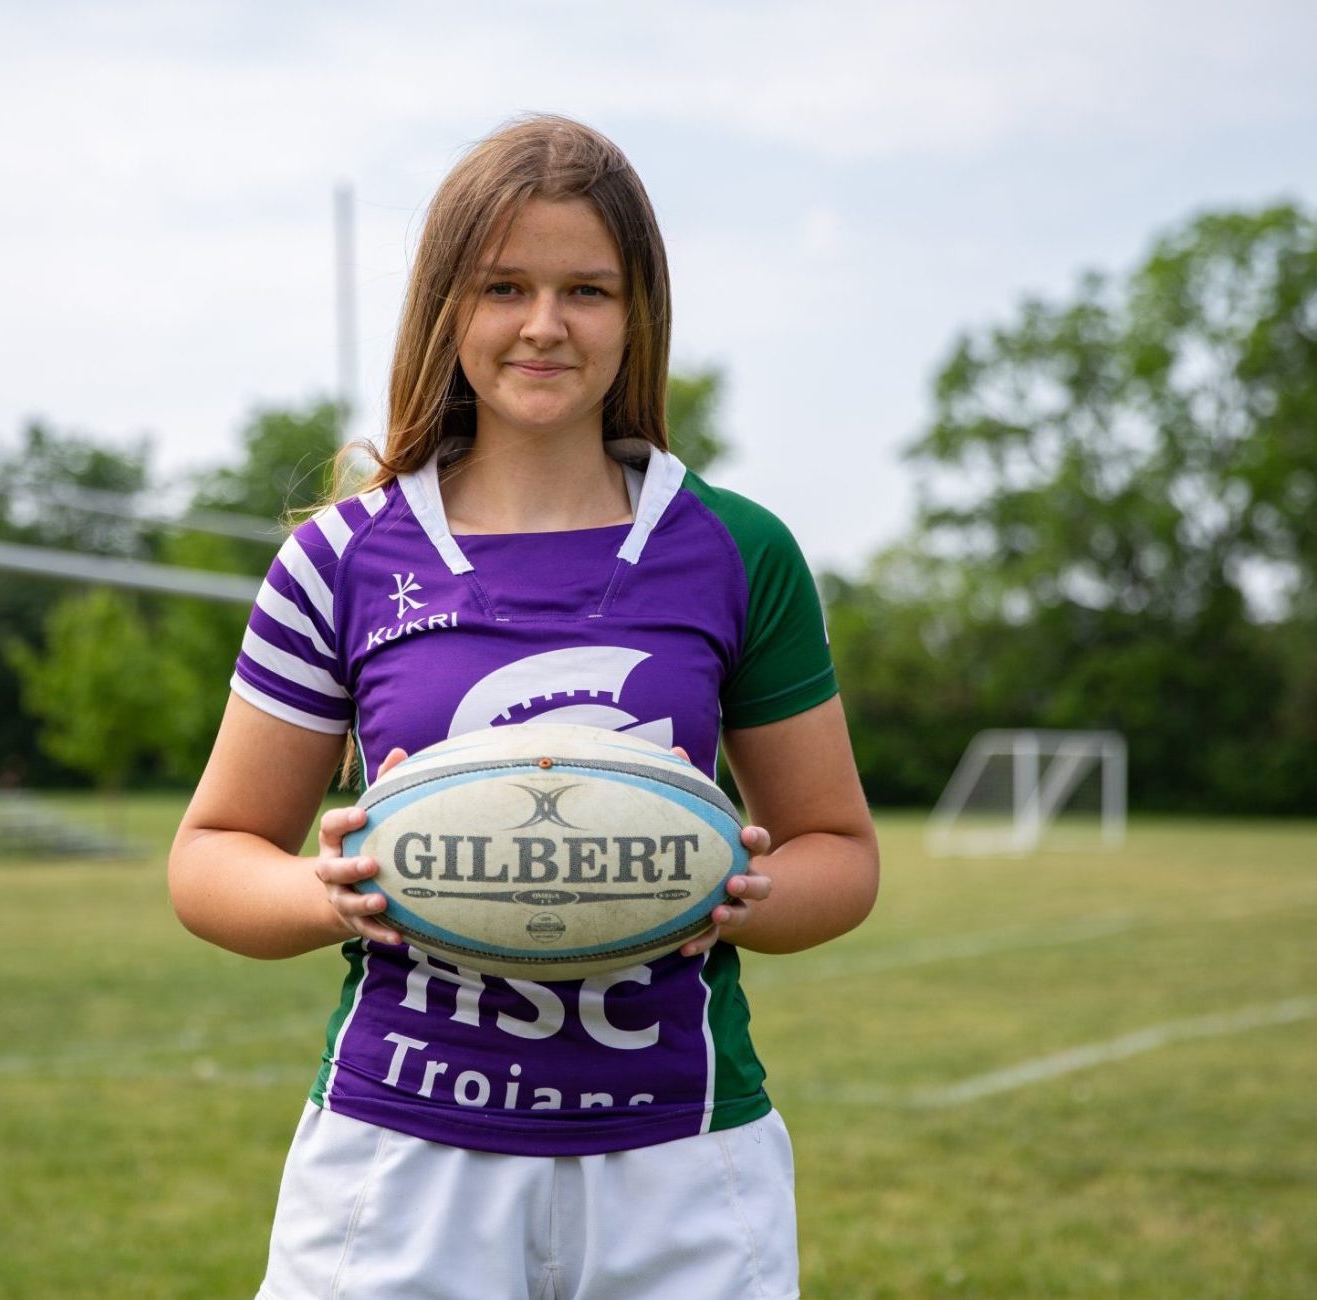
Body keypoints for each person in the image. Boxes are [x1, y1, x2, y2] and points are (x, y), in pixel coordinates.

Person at [169, 113, 879, 1300]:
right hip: (399, 1156)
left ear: (635, 312)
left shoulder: (734, 551)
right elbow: (208, 855)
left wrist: (741, 895)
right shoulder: (339, 559)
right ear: (448, 306)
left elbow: (840, 853)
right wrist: (320, 891)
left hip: (681, 1155)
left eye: (585, 290)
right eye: (504, 285)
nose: (544, 325)